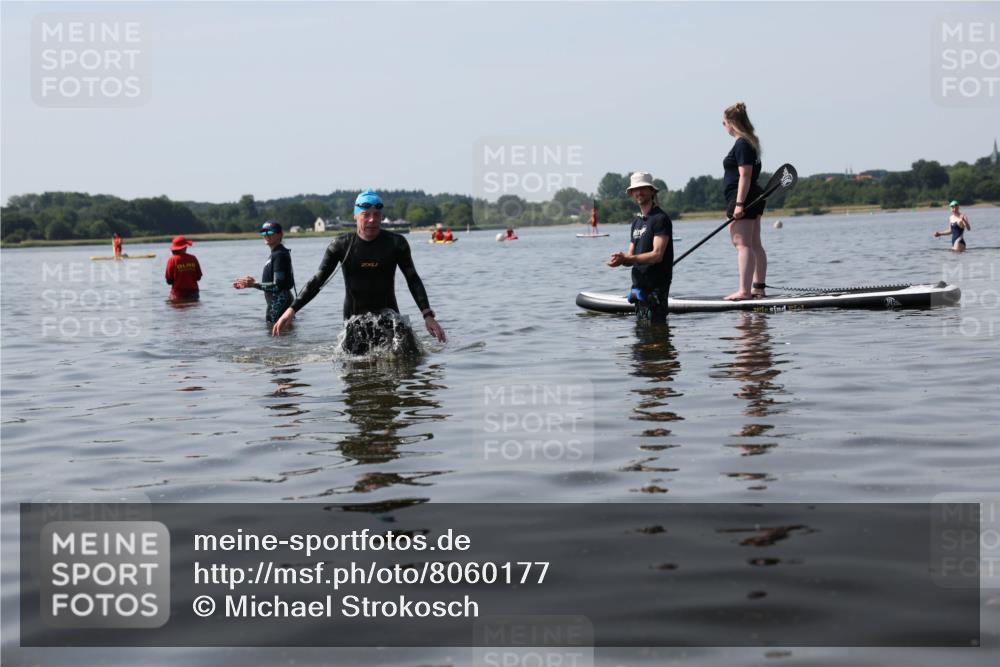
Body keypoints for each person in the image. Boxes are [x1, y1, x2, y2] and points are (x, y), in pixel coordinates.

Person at [271, 190, 446, 344]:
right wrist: (291, 310)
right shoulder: (340, 246)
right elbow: (317, 281)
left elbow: (412, 279)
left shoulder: (396, 243)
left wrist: (427, 316)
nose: (372, 220)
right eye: (366, 214)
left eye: (377, 214)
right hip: (354, 323)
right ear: (355, 215)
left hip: (389, 320)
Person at [607, 171, 673, 324]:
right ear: (631, 193)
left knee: (657, 333)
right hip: (638, 288)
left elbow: (657, 255)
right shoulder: (636, 222)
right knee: (641, 336)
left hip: (656, 286)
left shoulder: (660, 219)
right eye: (635, 189)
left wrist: (629, 258)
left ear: (652, 191)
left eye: (643, 188)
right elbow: (631, 256)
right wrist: (622, 260)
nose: (639, 192)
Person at [721, 102, 767, 300]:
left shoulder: (741, 144)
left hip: (744, 199)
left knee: (742, 245)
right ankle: (758, 288)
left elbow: (745, 175)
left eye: (724, 123)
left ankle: (744, 291)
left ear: (731, 123)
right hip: (754, 197)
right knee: (754, 243)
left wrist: (739, 204)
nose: (724, 127)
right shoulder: (750, 142)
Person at [233, 220, 295, 324]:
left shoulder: (279, 254)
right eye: (263, 232)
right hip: (279, 301)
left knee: (276, 335)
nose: (266, 235)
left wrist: (254, 284)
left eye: (270, 232)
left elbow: (278, 286)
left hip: (279, 303)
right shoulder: (277, 253)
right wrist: (253, 283)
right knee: (282, 334)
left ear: (280, 234)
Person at [165, 236, 202, 301]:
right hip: (193, 293)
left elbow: (169, 281)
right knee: (193, 309)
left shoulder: (172, 260)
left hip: (178, 294)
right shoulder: (193, 258)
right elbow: (198, 277)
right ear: (184, 247)